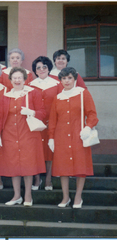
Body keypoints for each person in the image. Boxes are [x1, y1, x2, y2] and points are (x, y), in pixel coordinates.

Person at [0, 67, 46, 207]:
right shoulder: (6, 96)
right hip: (9, 135)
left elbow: (43, 113)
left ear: (25, 79)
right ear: (10, 80)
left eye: (19, 78)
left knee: (28, 165)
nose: (17, 80)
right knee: (13, 165)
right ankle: (17, 195)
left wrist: (33, 112)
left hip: (27, 134)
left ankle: (28, 195)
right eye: (14, 78)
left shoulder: (33, 93)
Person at [48, 67, 98, 208]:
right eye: (64, 78)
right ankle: (65, 197)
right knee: (63, 168)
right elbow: (53, 120)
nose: (67, 81)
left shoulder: (83, 94)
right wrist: (51, 138)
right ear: (60, 81)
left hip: (79, 135)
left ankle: (78, 196)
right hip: (61, 136)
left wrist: (88, 127)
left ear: (75, 79)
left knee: (80, 167)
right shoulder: (57, 98)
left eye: (69, 78)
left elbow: (92, 114)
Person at [28, 56, 63, 191]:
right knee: (36, 150)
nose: (41, 70)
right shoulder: (30, 85)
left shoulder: (57, 83)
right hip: (35, 123)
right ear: (35, 71)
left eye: (44, 67)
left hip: (51, 122)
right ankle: (37, 178)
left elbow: (60, 103)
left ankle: (48, 178)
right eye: (38, 68)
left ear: (49, 69)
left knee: (49, 151)